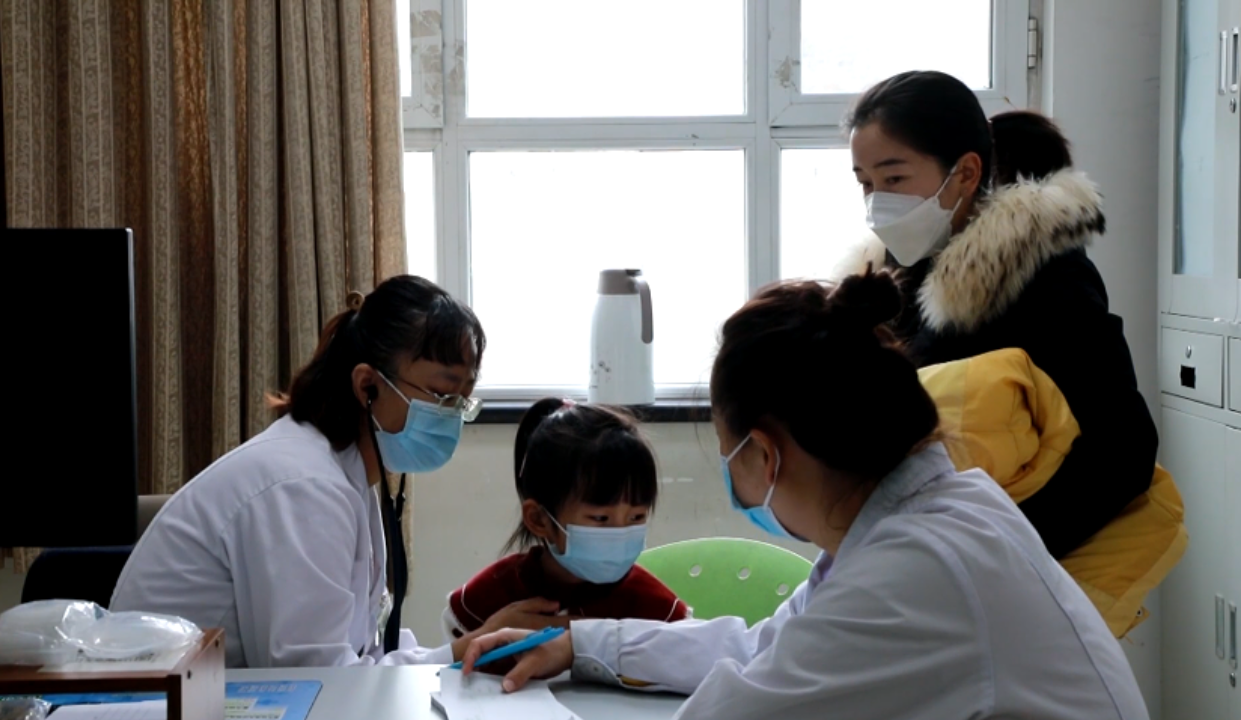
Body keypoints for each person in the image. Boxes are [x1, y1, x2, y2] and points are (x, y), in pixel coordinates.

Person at [461, 273, 1149, 720]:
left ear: (765, 454)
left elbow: (741, 706)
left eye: (731, 455)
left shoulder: (917, 566)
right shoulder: (922, 521)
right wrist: (577, 643)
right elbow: (760, 648)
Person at [111, 275, 542, 668]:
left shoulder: (344, 473)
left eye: (462, 400)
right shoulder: (303, 485)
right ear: (367, 385)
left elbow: (361, 652)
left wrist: (465, 649)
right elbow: (317, 679)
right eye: (443, 394)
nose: (451, 416)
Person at [834, 70, 1157, 559]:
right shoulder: (894, 277)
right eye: (866, 183)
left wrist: (1000, 551)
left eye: (895, 178)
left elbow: (1123, 450)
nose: (879, 202)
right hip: (915, 553)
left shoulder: (1043, 277)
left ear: (965, 172)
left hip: (1006, 563)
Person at [443, 399, 689, 640]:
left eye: (637, 517)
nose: (620, 532)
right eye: (601, 518)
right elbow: (456, 669)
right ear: (539, 519)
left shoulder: (655, 608)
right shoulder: (493, 595)